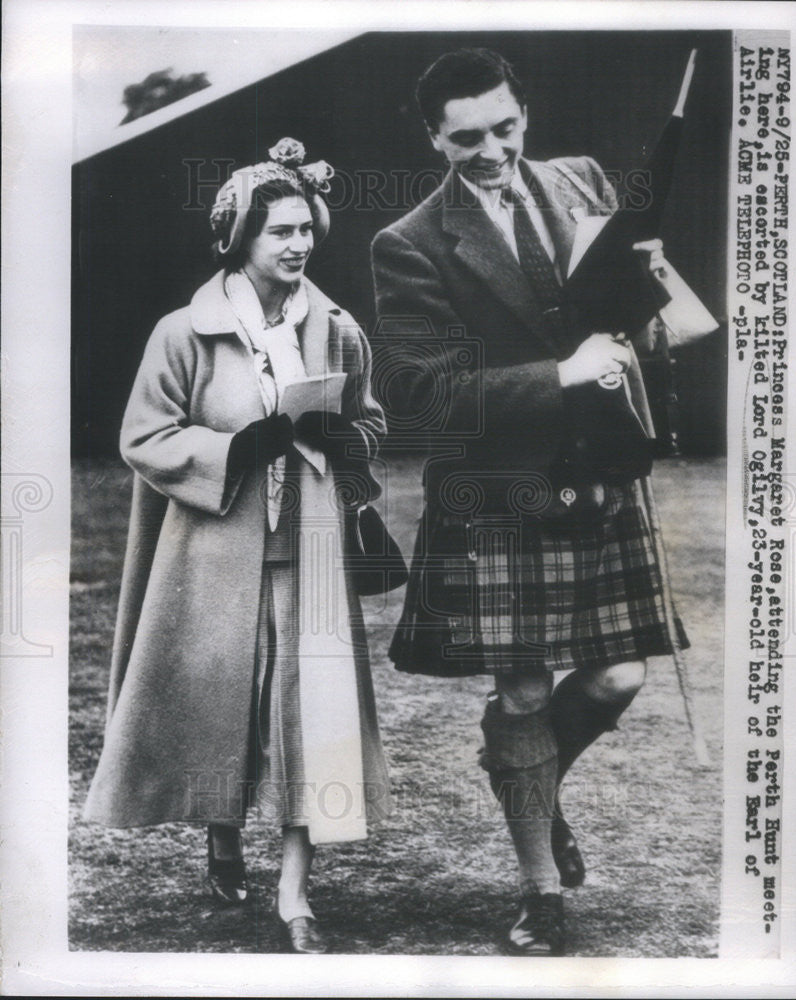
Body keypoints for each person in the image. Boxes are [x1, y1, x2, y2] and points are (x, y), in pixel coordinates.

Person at [371, 49, 688, 956]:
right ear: (433, 137)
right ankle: (541, 891)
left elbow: (647, 327)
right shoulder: (411, 241)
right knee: (520, 693)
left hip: (602, 477)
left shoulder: (584, 183)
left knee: (618, 677)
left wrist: (654, 294)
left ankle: (524, 779)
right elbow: (417, 393)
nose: (491, 150)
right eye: (465, 137)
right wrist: (558, 373)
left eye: (504, 128)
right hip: (501, 492)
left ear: (524, 115)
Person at [84, 138, 391, 955]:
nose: (297, 246)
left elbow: (370, 420)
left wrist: (343, 434)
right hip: (215, 552)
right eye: (279, 232)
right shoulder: (184, 332)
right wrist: (236, 449)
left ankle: (296, 891)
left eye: (305, 230)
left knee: (308, 717)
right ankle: (220, 832)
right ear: (240, 238)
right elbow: (143, 436)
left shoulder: (336, 328)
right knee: (217, 706)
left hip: (311, 550)